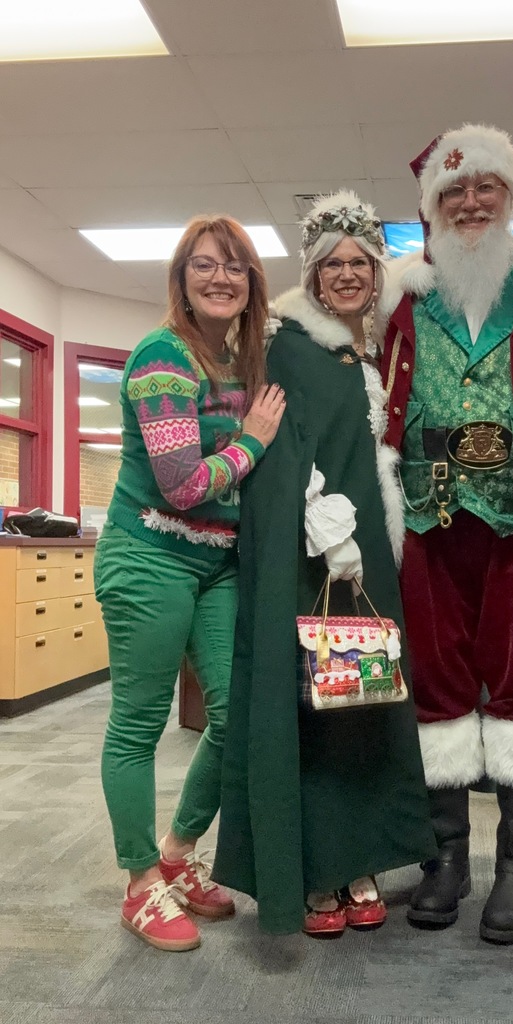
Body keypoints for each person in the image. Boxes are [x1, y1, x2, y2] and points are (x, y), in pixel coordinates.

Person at [376, 124, 513, 944]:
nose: (470, 203)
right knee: (434, 685)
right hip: (428, 523)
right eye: (452, 193)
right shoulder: (401, 295)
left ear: (510, 198)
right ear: (430, 209)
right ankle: (445, 861)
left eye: (485, 188)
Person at [212, 190, 436, 937]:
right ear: (311, 273)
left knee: (364, 703)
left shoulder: (366, 349)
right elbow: (283, 452)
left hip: (370, 555)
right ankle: (312, 868)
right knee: (314, 705)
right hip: (317, 554)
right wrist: (329, 533)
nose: (346, 274)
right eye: (331, 263)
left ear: (376, 272)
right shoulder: (288, 346)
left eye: (359, 263)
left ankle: (361, 856)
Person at [95, 215, 285, 952]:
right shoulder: (161, 357)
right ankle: (140, 882)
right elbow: (180, 484)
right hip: (148, 556)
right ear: (181, 278)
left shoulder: (238, 360)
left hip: (216, 563)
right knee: (139, 724)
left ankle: (176, 853)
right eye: (204, 265)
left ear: (251, 283)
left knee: (235, 717)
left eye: (235, 266)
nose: (220, 277)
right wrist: (254, 443)